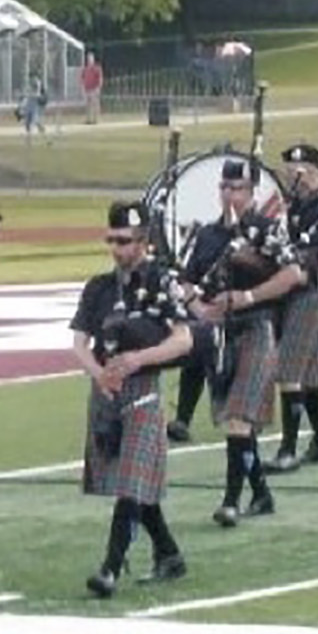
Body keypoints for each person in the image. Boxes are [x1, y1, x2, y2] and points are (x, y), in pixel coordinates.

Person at [71, 200, 193, 596]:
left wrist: (139, 358)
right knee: (135, 483)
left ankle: (110, 568)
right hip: (107, 392)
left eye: (124, 241)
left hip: (143, 391)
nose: (116, 248)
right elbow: (79, 343)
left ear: (143, 241)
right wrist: (100, 374)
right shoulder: (99, 287)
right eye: (111, 240)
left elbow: (183, 339)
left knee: (131, 483)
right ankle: (168, 554)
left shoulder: (160, 281)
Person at [182, 159, 300, 527]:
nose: (229, 195)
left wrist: (247, 297)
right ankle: (261, 494)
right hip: (220, 335)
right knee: (237, 424)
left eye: (237, 189)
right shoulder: (206, 235)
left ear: (251, 193)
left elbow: (293, 274)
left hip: (256, 328)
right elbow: (185, 280)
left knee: (238, 418)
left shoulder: (266, 231)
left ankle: (230, 501)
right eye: (225, 187)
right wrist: (198, 307)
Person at [266, 145, 318, 472]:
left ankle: (288, 449)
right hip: (288, 293)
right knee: (311, 374)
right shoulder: (294, 205)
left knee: (289, 369)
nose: (291, 179)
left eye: (297, 173)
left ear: (314, 173)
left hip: (309, 293)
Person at [80, 53, 104, 125]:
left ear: (93, 60)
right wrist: (82, 87)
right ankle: (88, 119)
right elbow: (82, 78)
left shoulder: (97, 68)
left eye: (90, 59)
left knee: (95, 104)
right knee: (88, 105)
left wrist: (98, 88)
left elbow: (100, 78)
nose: (89, 61)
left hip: (94, 88)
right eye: (88, 59)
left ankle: (96, 119)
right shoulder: (85, 69)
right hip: (87, 89)